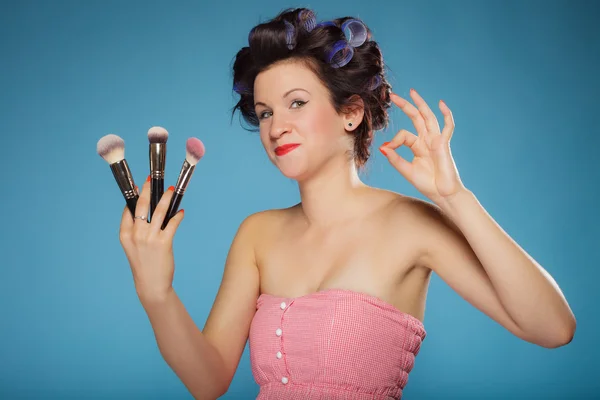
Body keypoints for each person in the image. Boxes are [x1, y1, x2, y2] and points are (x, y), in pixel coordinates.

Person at [117, 7, 576, 400]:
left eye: (296, 103)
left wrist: (454, 198)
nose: (276, 127)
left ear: (351, 113)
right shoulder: (257, 234)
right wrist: (156, 293)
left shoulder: (412, 224)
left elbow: (553, 329)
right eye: (265, 113)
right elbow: (209, 379)